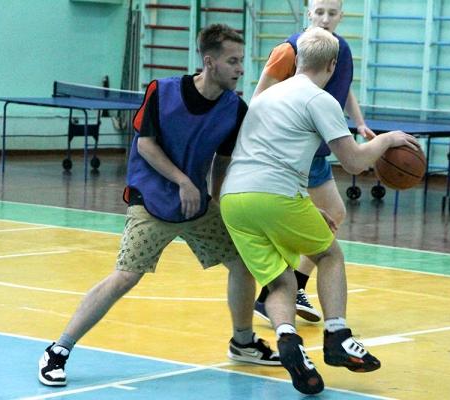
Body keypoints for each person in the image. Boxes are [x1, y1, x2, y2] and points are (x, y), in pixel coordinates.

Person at [37, 23, 281, 387]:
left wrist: (218, 202)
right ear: (209, 62)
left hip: (196, 206)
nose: (241, 69)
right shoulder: (163, 91)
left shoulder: (234, 108)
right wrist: (183, 181)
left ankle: (243, 342)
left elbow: (224, 160)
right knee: (125, 276)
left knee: (243, 264)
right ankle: (58, 349)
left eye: (241, 60)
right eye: (233, 61)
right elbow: (145, 145)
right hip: (151, 201)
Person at [220, 27, 421, 394]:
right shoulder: (320, 98)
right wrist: (388, 139)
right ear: (332, 65)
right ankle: (338, 337)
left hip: (234, 200)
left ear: (297, 60)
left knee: (281, 280)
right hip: (275, 195)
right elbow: (354, 162)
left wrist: (306, 206)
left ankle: (288, 341)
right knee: (329, 255)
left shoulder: (264, 96)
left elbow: (265, 156)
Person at [251, 0, 375, 324]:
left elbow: (343, 89)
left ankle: (288, 289)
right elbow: (258, 99)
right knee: (298, 224)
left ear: (341, 16)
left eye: (332, 13)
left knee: (333, 214)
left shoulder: (340, 50)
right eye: (319, 12)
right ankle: (278, 291)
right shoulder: (288, 50)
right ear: (309, 13)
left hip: (316, 151)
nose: (325, 18)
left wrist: (359, 123)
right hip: (288, 152)